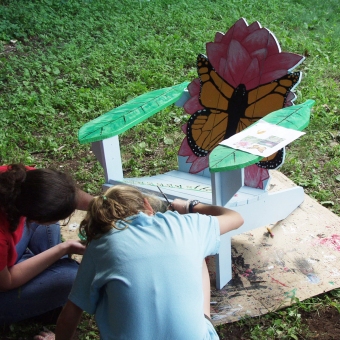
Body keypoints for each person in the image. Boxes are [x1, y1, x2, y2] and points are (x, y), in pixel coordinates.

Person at [35, 184, 244, 340]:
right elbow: (235, 217)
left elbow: (70, 314)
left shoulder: (99, 245)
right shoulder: (186, 225)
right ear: (147, 204)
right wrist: (190, 206)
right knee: (197, 254)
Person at [0, 163, 93, 325]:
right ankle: (43, 297)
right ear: (36, 218)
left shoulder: (21, 180)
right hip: (4, 284)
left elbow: (64, 195)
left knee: (53, 204)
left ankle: (45, 288)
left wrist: (102, 205)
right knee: (71, 277)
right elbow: (6, 283)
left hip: (7, 258)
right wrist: (64, 248)